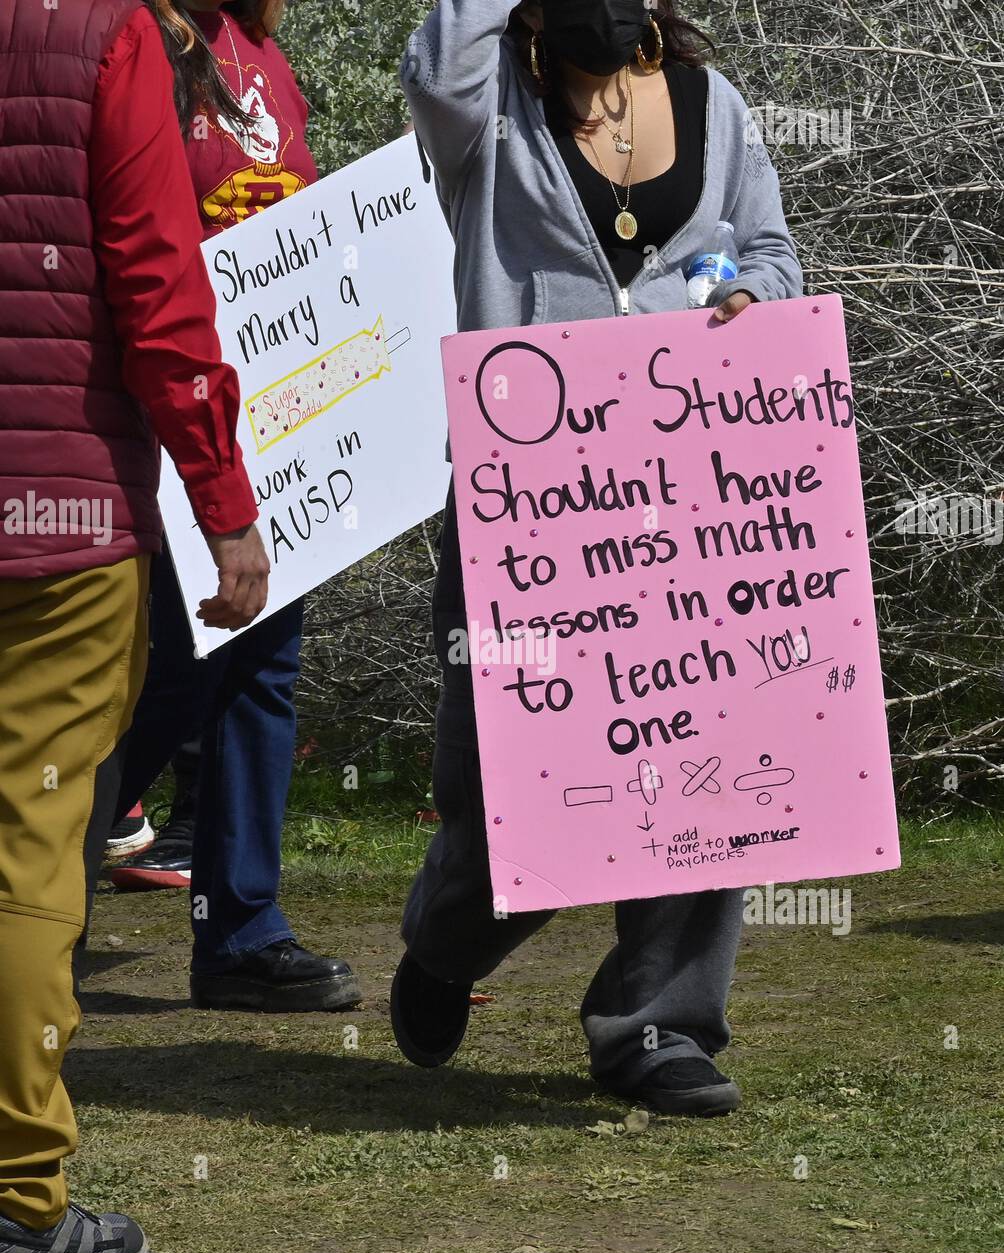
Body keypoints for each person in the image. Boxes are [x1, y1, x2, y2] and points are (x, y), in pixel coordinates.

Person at [392, 0, 803, 1115]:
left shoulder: (714, 107)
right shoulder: (484, 117)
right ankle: (444, 940)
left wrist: (742, 292)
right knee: (512, 787)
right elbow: (434, 63)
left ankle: (657, 1022)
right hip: (523, 501)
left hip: (684, 491)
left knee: (705, 757)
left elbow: (761, 246)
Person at [0, 0, 269, 1253]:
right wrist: (225, 508)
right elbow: (161, 290)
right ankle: (18, 1201)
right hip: (54, 527)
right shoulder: (104, 35)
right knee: (33, 853)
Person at [104, 0, 362, 1012]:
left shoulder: (263, 54)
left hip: (268, 422)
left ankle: (238, 932)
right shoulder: (135, 40)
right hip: (155, 414)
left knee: (261, 663)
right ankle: (33, 880)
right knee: (168, 670)